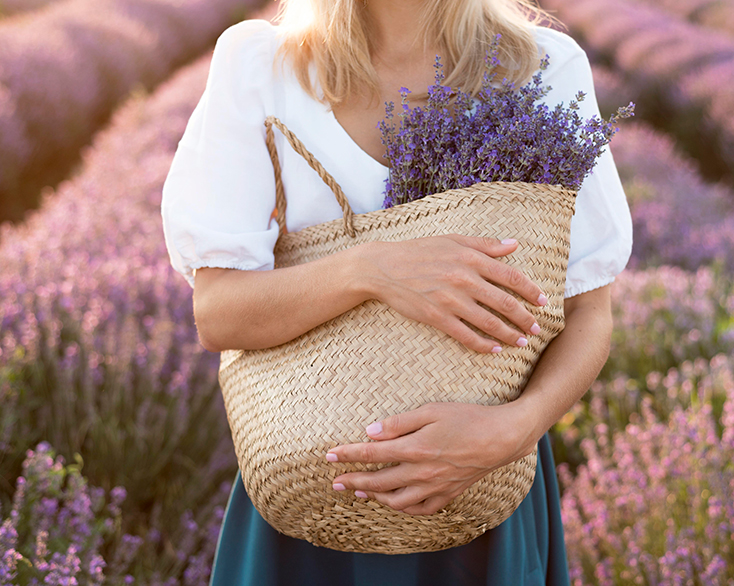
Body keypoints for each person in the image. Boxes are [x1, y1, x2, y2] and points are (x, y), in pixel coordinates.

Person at [160, 0, 632, 583]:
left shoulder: (540, 67)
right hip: (313, 482)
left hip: (481, 492)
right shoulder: (261, 67)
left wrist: (515, 430)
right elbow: (218, 312)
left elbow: (589, 309)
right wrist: (372, 269)